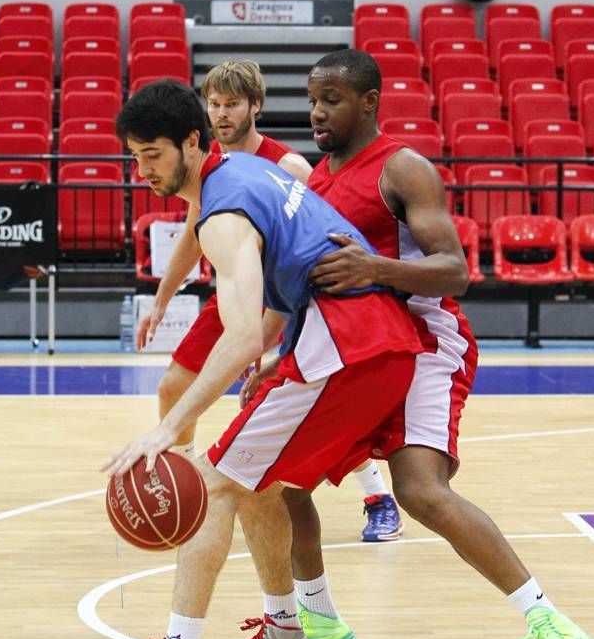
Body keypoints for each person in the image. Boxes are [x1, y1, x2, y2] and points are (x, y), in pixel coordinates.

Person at [197, 49, 594, 639]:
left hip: (424, 341)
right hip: (358, 347)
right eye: (313, 97)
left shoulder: (402, 167)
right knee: (279, 479)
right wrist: (277, 354)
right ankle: (319, 621)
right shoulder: (320, 183)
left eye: (333, 98)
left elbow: (456, 272)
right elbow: (314, 288)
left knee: (419, 490)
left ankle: (553, 624)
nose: (319, 111)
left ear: (369, 102)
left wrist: (377, 269)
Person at [102, 78, 423, 639]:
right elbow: (290, 274)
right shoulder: (246, 172)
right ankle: (284, 634)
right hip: (364, 341)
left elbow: (242, 330)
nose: (143, 171)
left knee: (216, 479)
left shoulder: (222, 212)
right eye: (135, 157)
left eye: (153, 156)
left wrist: (171, 427)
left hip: (349, 344)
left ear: (191, 144)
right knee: (257, 482)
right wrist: (280, 351)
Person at [131, 60, 404, 541]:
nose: (222, 113)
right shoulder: (208, 164)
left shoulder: (286, 164)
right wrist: (161, 300)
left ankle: (375, 493)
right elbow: (194, 238)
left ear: (255, 105)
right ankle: (182, 489)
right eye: (214, 104)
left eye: (232, 104)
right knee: (173, 385)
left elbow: (313, 241)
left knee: (304, 400)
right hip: (238, 286)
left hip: (290, 293)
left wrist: (274, 344)